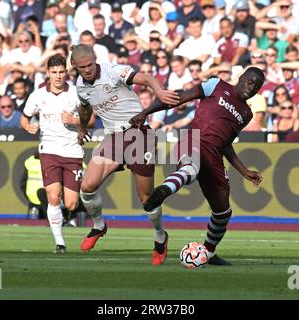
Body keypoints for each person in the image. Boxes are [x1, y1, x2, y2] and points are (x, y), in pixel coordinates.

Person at [129, 67, 265, 265]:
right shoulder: (216, 85)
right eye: (250, 81)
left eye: (257, 86)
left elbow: (226, 142)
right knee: (190, 169)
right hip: (193, 139)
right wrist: (146, 112)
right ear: (241, 78)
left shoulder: (246, 114)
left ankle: (208, 253)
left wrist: (244, 171)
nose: (252, 87)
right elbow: (179, 98)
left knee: (223, 212)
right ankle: (165, 190)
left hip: (215, 155)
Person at [70, 44, 179, 265]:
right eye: (82, 67)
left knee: (146, 199)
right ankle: (99, 226)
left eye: (90, 64)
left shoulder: (112, 71)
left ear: (95, 59)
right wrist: (82, 128)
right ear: (75, 66)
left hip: (139, 133)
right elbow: (85, 109)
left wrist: (158, 91)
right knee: (87, 186)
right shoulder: (81, 85)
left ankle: (160, 235)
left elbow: (146, 78)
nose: (87, 70)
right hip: (112, 138)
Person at [20, 54, 87, 254]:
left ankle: (63, 216)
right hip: (48, 151)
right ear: (48, 73)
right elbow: (24, 119)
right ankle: (60, 243)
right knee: (53, 195)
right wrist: (28, 127)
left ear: (66, 72)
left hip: (73, 151)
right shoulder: (37, 95)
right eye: (54, 72)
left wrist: (75, 121)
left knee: (73, 202)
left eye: (61, 72)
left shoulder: (76, 93)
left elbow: (91, 120)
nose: (58, 76)